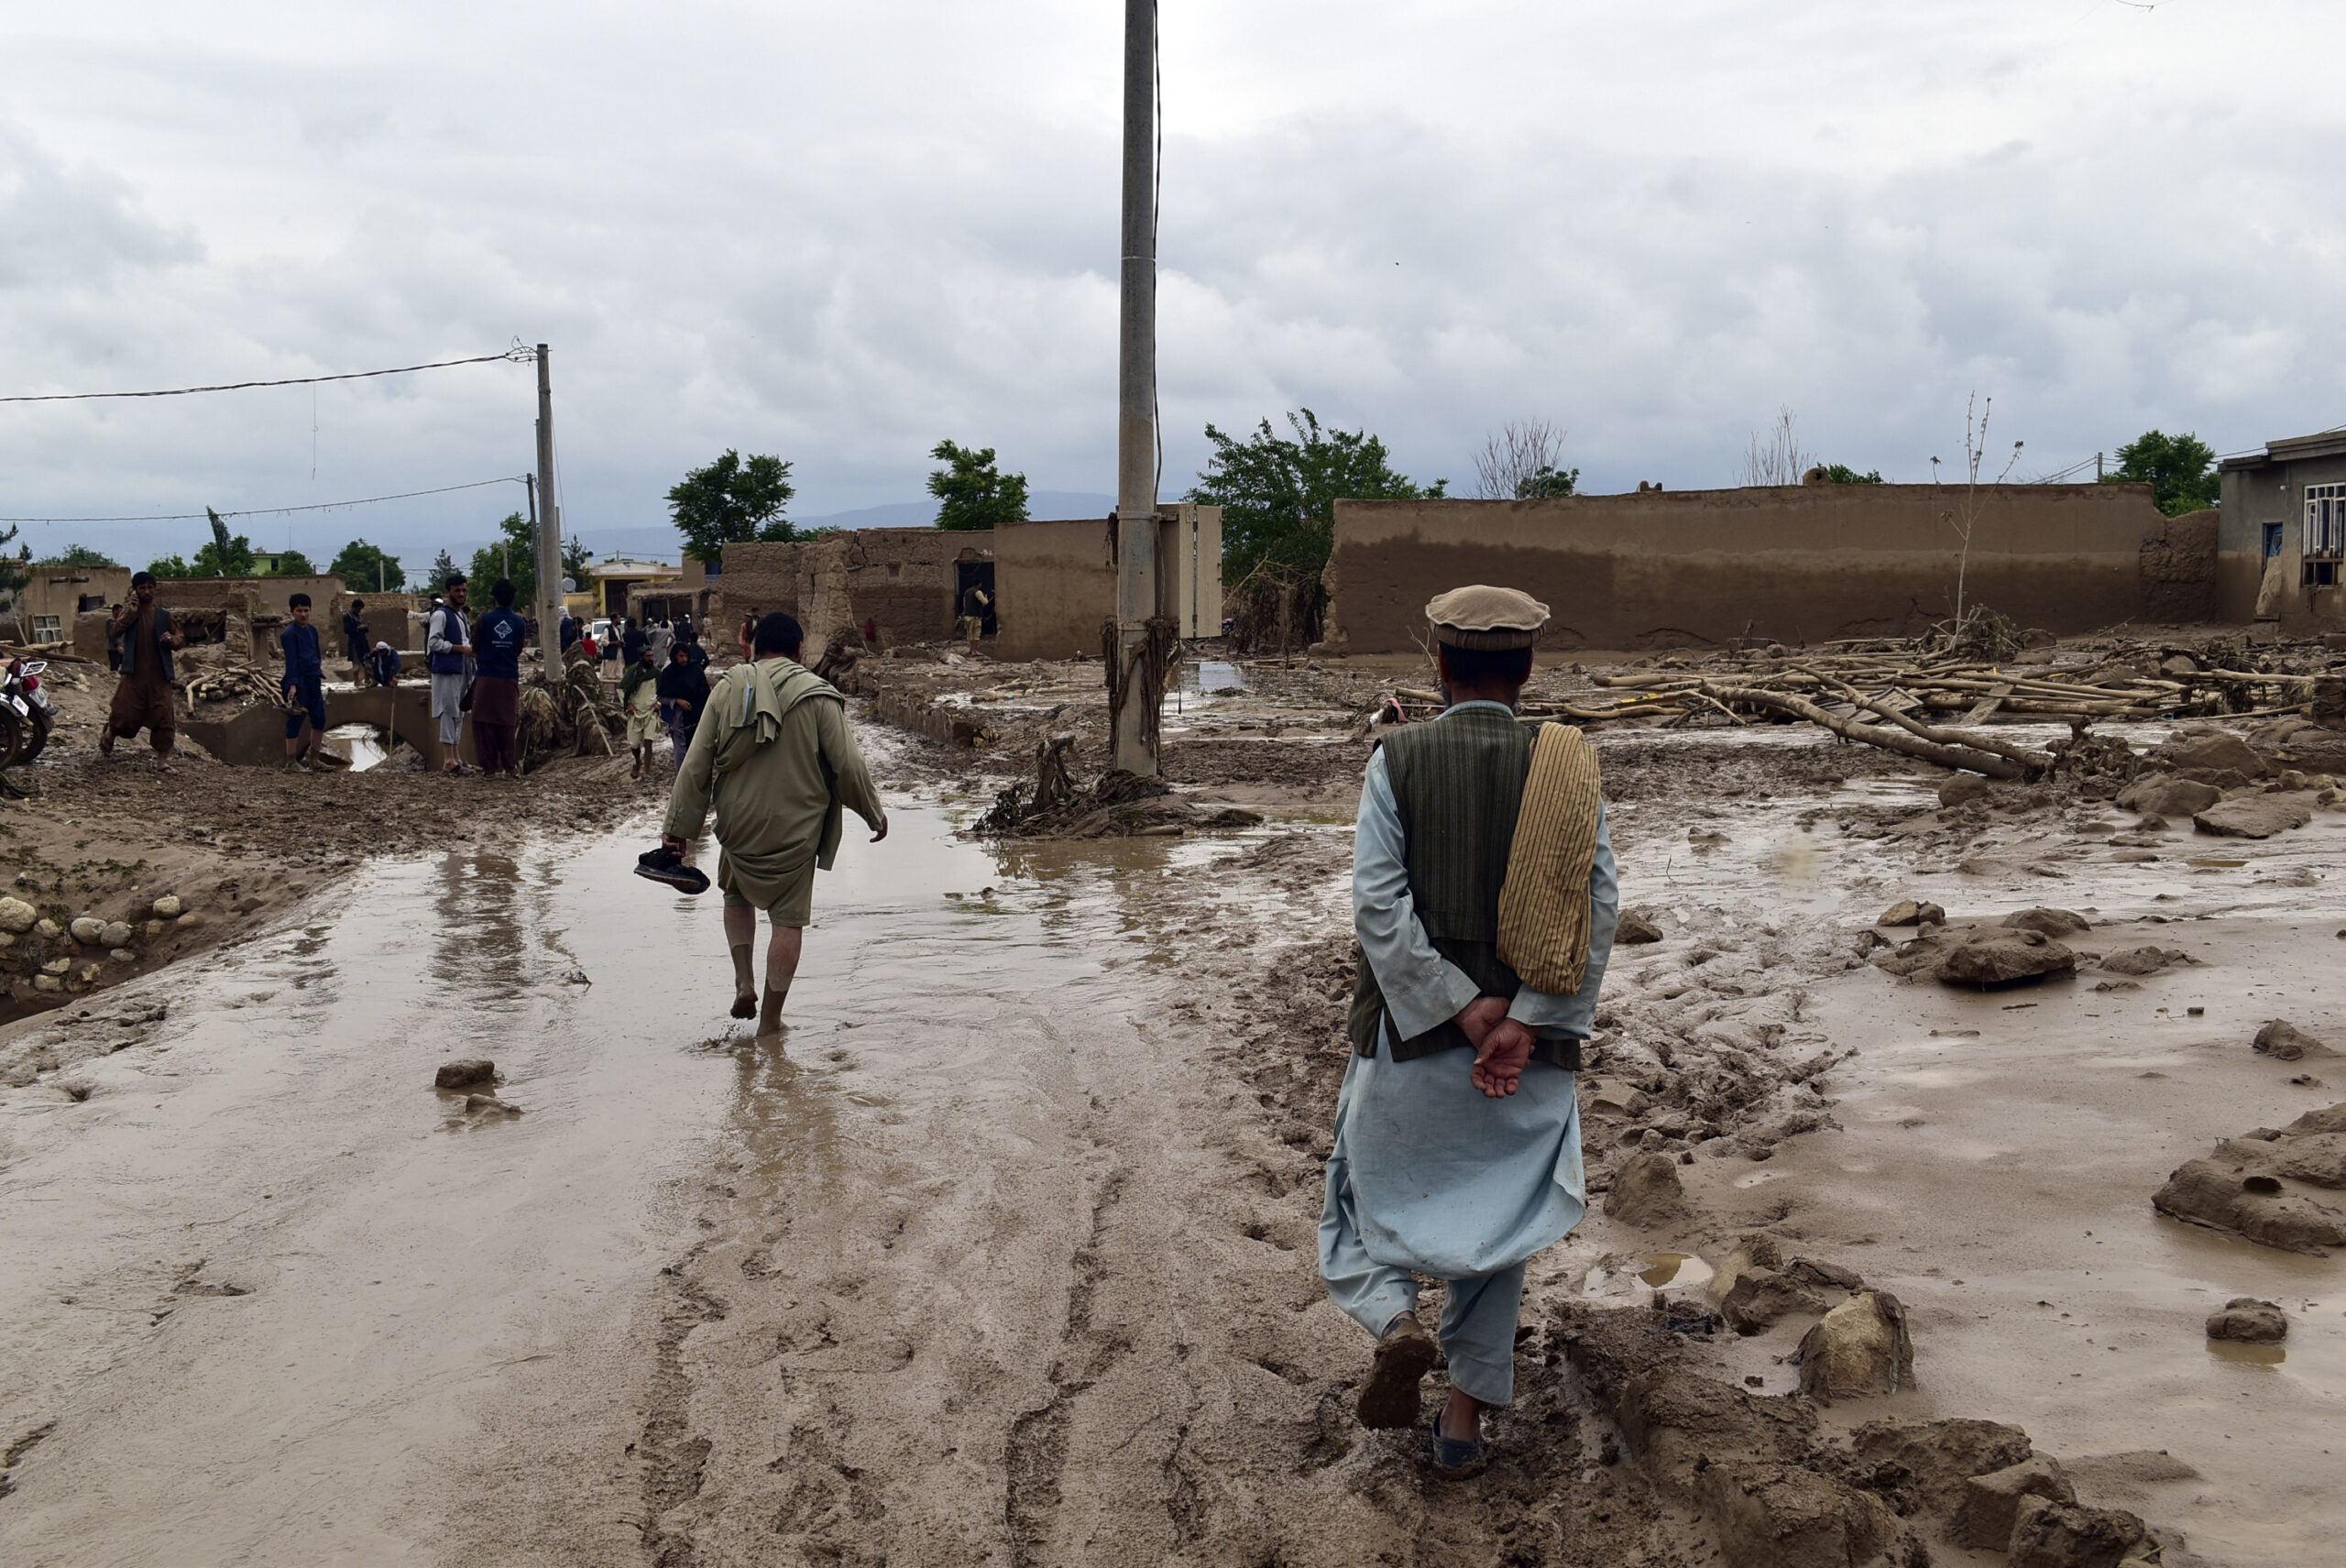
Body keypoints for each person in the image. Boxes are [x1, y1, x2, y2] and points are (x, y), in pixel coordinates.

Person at [1319, 585, 1618, 1474]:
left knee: (1349, 1199)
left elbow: (1378, 905)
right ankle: (1459, 1426)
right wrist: (1524, 1020)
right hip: (1526, 1063)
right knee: (1499, 1232)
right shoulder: (1568, 766)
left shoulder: (1396, 759)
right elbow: (1596, 909)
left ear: (1440, 667)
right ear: (1525, 670)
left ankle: (1393, 1320)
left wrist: (1456, 1003)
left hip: (1409, 1042)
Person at [658, 611, 886, 1035]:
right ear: (800, 651)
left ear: (755, 647)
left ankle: (743, 981)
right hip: (796, 830)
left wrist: (678, 830)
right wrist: (873, 812)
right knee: (787, 922)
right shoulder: (818, 695)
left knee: (736, 896)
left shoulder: (726, 689)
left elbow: (696, 764)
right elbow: (848, 766)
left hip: (739, 823)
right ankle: (771, 1023)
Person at [102, 571, 182, 770]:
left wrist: (172, 640)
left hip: (159, 677)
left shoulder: (164, 616)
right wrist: (131, 612)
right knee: (124, 714)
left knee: (164, 717)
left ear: (154, 589)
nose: (147, 591)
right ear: (135, 590)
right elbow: (114, 632)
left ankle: (162, 761)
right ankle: (110, 734)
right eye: (142, 588)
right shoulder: (130, 613)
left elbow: (181, 637)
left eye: (150, 587)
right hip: (134, 676)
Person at [471, 577, 529, 779]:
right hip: (509, 676)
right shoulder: (520, 622)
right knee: (506, 722)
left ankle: (489, 769)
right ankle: (509, 767)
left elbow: (475, 646)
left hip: (486, 676)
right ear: (513, 598)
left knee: (483, 721)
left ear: (493, 597)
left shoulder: (483, 619)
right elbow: (518, 649)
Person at [426, 575, 474, 773]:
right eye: (457, 590)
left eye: (463, 590)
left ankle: (456, 757)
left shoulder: (461, 616)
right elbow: (434, 643)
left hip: (462, 669)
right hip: (447, 669)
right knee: (448, 711)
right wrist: (460, 649)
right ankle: (448, 760)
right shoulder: (441, 615)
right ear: (448, 592)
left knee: (459, 711)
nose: (461, 594)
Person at [280, 592, 328, 771]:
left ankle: (314, 760)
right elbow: (291, 661)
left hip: (314, 679)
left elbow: (316, 655)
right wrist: (292, 684)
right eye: (299, 610)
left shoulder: (312, 631)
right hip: (298, 682)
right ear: (292, 612)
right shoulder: (289, 634)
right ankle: (291, 762)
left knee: (319, 719)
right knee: (296, 720)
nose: (303, 614)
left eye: (306, 610)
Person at [655, 640, 710, 771]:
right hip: (680, 722)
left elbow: (706, 693)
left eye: (686, 656)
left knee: (699, 753)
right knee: (682, 756)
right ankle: (683, 785)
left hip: (698, 719)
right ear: (674, 656)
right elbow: (661, 697)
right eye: (681, 656)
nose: (684, 659)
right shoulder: (669, 673)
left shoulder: (695, 669)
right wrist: (677, 701)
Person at [620, 640, 662, 778]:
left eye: (651, 656)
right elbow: (621, 689)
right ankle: (637, 762)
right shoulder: (632, 673)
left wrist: (658, 704)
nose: (651, 659)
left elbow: (663, 692)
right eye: (648, 656)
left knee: (648, 741)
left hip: (651, 711)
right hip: (635, 712)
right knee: (634, 744)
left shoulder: (656, 673)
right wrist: (628, 705)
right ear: (641, 657)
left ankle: (647, 772)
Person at [342, 598, 370, 666]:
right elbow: (347, 630)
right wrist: (358, 628)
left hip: (362, 642)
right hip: (354, 643)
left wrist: (366, 627)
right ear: (354, 607)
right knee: (355, 665)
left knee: (366, 662)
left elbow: (364, 630)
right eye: (358, 609)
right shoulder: (348, 617)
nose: (359, 611)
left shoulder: (359, 617)